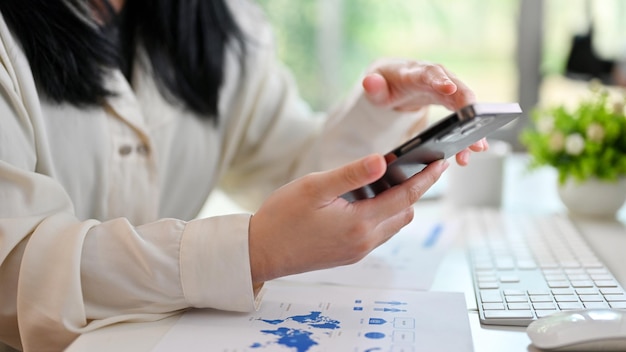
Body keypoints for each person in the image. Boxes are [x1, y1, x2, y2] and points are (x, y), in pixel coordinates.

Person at [0, 0, 486, 350]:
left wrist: (381, 110)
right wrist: (250, 252)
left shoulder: (222, 21)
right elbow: (12, 270)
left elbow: (291, 171)